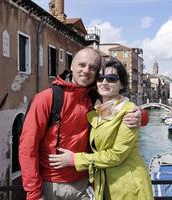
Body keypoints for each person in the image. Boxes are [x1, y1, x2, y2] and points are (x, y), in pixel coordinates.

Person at [19, 48, 143, 200]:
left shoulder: (95, 99)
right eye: (82, 65)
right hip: (51, 185)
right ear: (71, 66)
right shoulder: (46, 99)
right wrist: (33, 194)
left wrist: (141, 115)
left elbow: (121, 110)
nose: (86, 71)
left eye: (92, 68)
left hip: (86, 185)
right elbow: (27, 147)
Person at [48, 60, 154, 200]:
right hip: (104, 185)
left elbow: (117, 155)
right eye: (100, 78)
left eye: (111, 79)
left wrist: (74, 159)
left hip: (128, 186)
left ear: (122, 84)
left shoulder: (128, 112)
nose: (104, 82)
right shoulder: (98, 108)